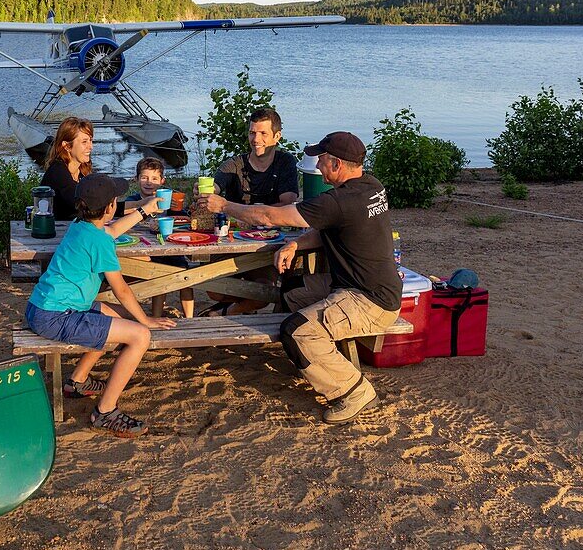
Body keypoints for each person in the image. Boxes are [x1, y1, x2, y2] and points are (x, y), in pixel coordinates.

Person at [197, 131, 402, 424]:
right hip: (358, 286)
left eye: (321, 159)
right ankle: (308, 359)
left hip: (369, 300)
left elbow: (268, 217)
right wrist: (295, 243)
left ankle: (354, 391)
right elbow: (329, 227)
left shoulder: (340, 200)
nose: (317, 165)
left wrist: (225, 206)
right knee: (290, 290)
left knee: (296, 330)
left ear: (337, 164)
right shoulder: (371, 186)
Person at [27, 173, 175, 437]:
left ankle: (77, 381)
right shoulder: (100, 242)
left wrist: (144, 210)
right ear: (110, 207)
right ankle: (105, 411)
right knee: (139, 335)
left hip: (42, 307)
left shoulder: (80, 226)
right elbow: (121, 289)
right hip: (56, 316)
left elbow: (113, 230)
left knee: (112, 316)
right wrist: (147, 320)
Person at [204, 106, 298, 315]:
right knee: (213, 289)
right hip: (234, 241)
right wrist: (205, 191)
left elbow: (288, 202)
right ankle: (243, 306)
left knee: (267, 290)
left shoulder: (285, 162)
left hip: (267, 243)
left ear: (277, 136)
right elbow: (215, 186)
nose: (256, 139)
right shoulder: (234, 164)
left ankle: (227, 312)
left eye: (263, 133)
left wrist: (251, 214)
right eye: (252, 132)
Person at [119, 156, 196, 318]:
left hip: (170, 248)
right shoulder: (133, 201)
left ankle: (190, 318)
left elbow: (186, 220)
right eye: (144, 177)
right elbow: (122, 218)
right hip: (146, 249)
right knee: (159, 279)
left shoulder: (169, 199)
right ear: (137, 179)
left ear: (162, 181)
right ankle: (156, 316)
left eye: (154, 178)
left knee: (186, 277)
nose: (149, 182)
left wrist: (173, 216)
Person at [40, 116, 95, 221]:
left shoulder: (82, 171)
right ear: (67, 146)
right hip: (57, 233)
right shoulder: (58, 172)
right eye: (84, 142)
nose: (90, 146)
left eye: (90, 140)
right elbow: (85, 205)